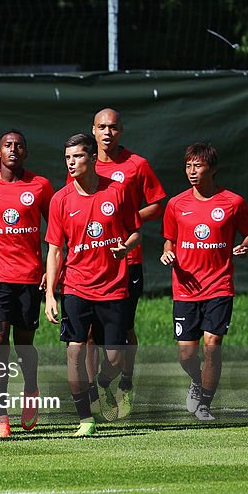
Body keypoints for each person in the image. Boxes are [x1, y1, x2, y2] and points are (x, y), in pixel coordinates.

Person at [44, 134, 140, 437]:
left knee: (114, 358)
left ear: (93, 159)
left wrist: (126, 248)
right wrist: (50, 294)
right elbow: (55, 250)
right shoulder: (60, 199)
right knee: (74, 350)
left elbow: (136, 232)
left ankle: (101, 383)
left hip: (113, 287)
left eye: (78, 157)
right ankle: (85, 417)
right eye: (68, 157)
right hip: (76, 286)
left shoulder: (117, 192)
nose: (72, 163)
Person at [0, 130, 53, 436]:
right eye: (8, 145)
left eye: (19, 145)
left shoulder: (40, 185)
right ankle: (0, 415)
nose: (13, 149)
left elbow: (56, 229)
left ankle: (30, 390)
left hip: (29, 277)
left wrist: (51, 270)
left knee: (24, 346)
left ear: (25, 153)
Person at [160, 142, 248, 421]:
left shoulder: (232, 202)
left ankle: (204, 404)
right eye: (188, 165)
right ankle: (196, 380)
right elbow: (170, 241)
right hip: (185, 289)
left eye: (198, 165)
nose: (192, 171)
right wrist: (167, 253)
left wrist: (245, 245)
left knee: (212, 345)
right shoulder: (176, 204)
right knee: (187, 355)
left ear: (212, 169)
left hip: (219, 285)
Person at [89, 108, 167, 417]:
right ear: (93, 130)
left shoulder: (137, 165)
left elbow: (157, 205)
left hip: (126, 261)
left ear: (122, 131)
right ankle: (95, 390)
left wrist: (126, 222)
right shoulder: (83, 163)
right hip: (90, 263)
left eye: (113, 127)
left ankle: (126, 383)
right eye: (102, 127)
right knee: (90, 333)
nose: (108, 132)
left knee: (125, 328)